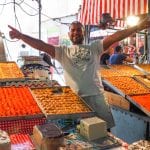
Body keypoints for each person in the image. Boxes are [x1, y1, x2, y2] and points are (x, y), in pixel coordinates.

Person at [8, 17, 150, 130]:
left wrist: (137, 27)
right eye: (73, 30)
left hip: (97, 98)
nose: (76, 32)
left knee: (104, 132)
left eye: (79, 30)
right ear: (69, 34)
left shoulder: (94, 47)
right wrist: (21, 36)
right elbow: (41, 45)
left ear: (84, 33)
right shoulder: (62, 51)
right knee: (78, 134)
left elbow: (114, 37)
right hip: (75, 101)